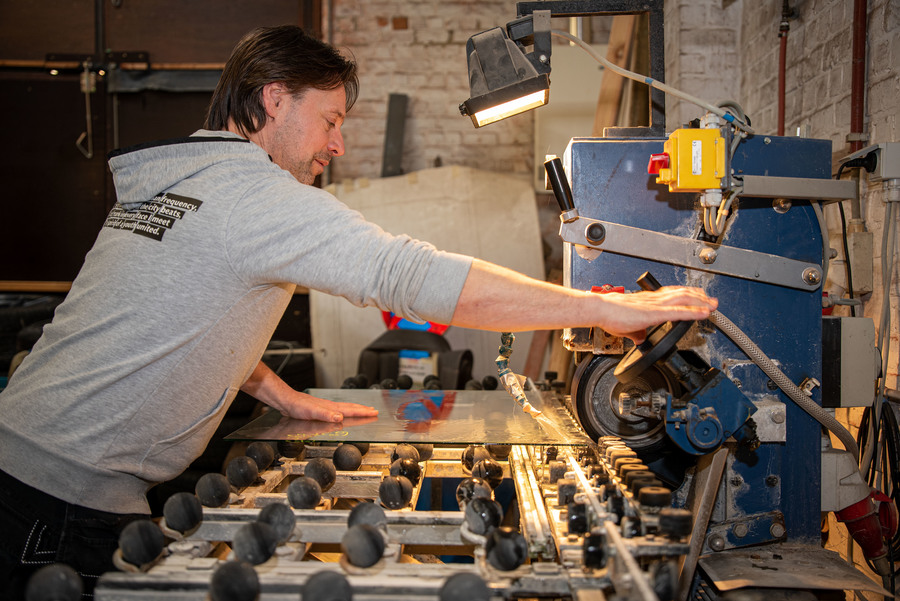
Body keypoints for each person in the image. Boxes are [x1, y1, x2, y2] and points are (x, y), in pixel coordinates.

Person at [0, 25, 716, 597]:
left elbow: (182, 309)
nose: (337, 144)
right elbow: (410, 275)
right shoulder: (254, 197)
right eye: (330, 119)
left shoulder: (185, 182)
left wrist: (278, 392)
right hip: (57, 501)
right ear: (274, 100)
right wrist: (598, 307)